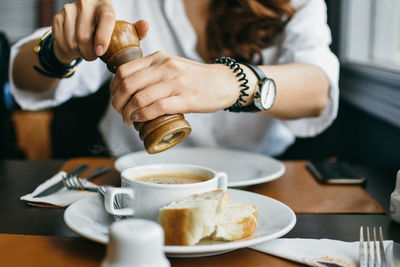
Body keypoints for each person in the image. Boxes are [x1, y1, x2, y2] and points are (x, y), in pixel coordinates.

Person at [9, 0, 339, 157]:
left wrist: (231, 82)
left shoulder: (296, 3)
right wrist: (57, 50)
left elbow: (317, 91)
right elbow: (24, 79)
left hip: (258, 182)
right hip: (129, 178)